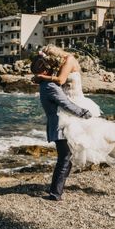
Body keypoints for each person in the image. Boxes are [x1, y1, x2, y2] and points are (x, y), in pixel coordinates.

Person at [36, 44, 115, 182]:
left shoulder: (69, 59)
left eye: (49, 60)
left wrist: (42, 77)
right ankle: (113, 140)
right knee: (81, 136)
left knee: (87, 133)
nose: (49, 64)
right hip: (67, 102)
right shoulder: (60, 63)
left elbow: (60, 80)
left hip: (75, 101)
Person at [31, 56, 93, 201]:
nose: (52, 68)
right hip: (60, 126)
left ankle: (57, 190)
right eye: (48, 67)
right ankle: (55, 193)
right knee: (64, 159)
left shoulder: (45, 84)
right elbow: (66, 104)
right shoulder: (50, 87)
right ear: (45, 70)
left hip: (56, 124)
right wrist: (84, 113)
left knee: (66, 158)